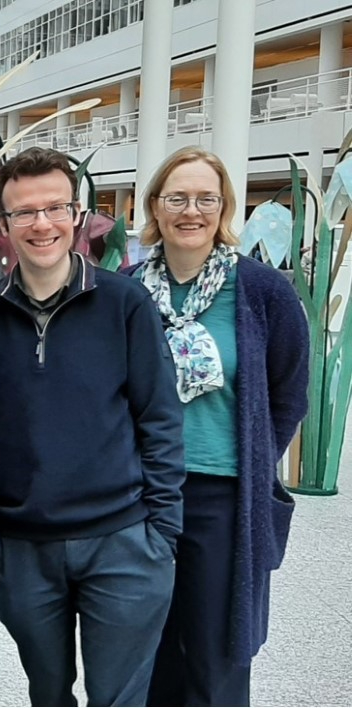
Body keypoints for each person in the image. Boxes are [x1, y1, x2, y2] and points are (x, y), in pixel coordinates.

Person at [0, 146, 185, 706]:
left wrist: (160, 535)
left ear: (78, 214)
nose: (42, 224)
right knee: (48, 694)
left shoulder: (124, 303)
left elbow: (159, 418)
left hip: (123, 542)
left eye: (55, 208)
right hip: (22, 548)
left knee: (117, 698)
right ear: (4, 225)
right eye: (25, 212)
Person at [132, 146, 308, 707]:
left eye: (206, 198)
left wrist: (254, 460)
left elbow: (289, 394)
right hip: (141, 495)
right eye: (177, 198)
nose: (191, 211)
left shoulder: (262, 292)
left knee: (215, 654)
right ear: (155, 208)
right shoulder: (126, 291)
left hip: (224, 498)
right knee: (145, 647)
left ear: (224, 208)